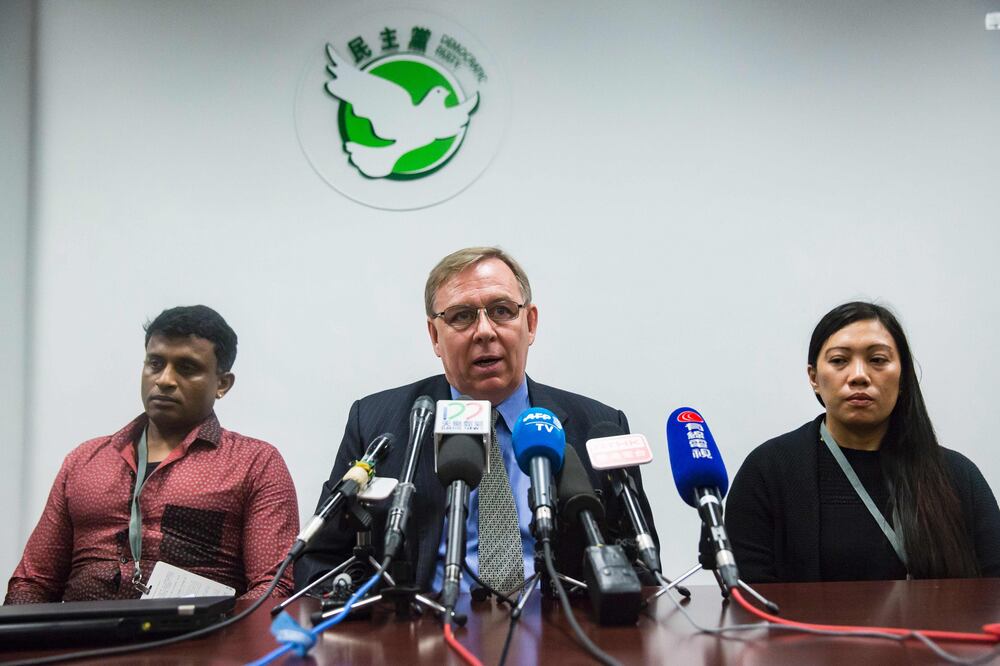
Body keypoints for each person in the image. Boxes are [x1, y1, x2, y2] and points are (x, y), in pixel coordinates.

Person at [295, 247, 659, 594]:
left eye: (502, 310)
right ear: (435, 336)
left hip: (561, 633)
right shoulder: (379, 423)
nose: (485, 331)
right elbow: (321, 562)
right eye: (462, 316)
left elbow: (642, 567)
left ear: (530, 324)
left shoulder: (594, 425)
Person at [5, 305, 299, 603]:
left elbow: (272, 589)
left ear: (222, 384)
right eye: (155, 363)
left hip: (195, 642)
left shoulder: (256, 464)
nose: (165, 380)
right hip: (80, 642)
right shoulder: (84, 461)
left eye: (187, 368)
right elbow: (32, 582)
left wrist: (224, 644)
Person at [727, 301, 1000, 583]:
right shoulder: (769, 471)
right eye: (839, 360)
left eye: (878, 360)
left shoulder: (957, 476)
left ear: (903, 375)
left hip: (936, 629)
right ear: (814, 378)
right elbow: (750, 597)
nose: (859, 375)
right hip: (803, 630)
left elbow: (993, 592)